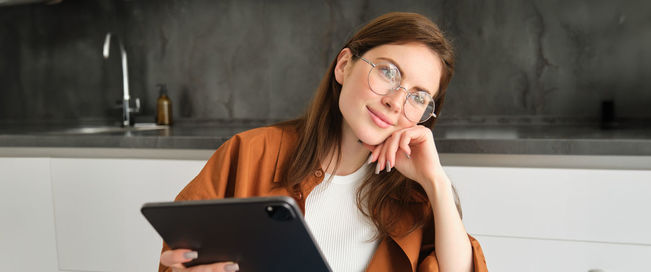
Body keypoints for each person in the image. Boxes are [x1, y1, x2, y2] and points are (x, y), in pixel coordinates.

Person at [158, 12, 488, 272]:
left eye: (418, 96)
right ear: (344, 66)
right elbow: (180, 259)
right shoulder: (247, 153)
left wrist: (436, 183)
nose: (396, 102)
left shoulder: (417, 196)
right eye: (388, 73)